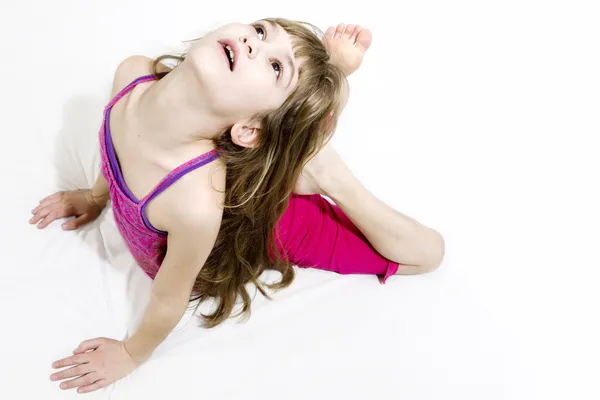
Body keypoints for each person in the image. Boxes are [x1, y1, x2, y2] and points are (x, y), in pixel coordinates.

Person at [32, 20, 444, 393]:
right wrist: (94, 196)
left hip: (248, 220)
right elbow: (114, 147)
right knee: (280, 136)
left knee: (426, 254)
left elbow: (167, 299)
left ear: (249, 128)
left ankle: (323, 167)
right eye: (262, 32)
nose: (253, 43)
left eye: (276, 66)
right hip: (243, 154)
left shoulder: (195, 204)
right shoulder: (132, 73)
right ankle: (314, 101)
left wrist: (132, 353)